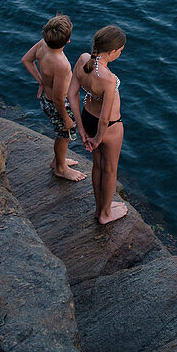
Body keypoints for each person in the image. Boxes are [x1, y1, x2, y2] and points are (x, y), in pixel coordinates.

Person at [69, 25, 128, 224]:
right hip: (109, 127)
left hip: (87, 119)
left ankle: (99, 208)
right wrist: (98, 139)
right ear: (112, 51)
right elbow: (105, 117)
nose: (120, 54)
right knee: (110, 169)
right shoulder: (109, 80)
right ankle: (105, 214)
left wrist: (83, 130)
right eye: (120, 51)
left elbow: (71, 94)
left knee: (98, 165)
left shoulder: (83, 59)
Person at [21, 15, 86, 183]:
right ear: (68, 40)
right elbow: (58, 97)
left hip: (46, 98)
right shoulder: (62, 64)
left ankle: (58, 160)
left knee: (61, 134)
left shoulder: (42, 44)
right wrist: (66, 118)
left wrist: (41, 81)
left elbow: (26, 60)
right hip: (58, 104)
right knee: (64, 135)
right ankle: (60, 168)